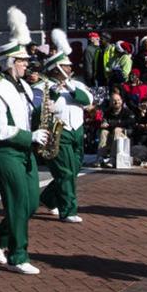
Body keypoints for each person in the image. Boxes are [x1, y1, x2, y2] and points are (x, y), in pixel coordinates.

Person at [0, 7, 47, 275]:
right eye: (21, 61)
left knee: (31, 203)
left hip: (25, 151)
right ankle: (18, 255)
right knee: (18, 203)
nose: (26, 64)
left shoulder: (22, 88)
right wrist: (29, 135)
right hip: (7, 152)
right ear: (9, 62)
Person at [39, 29, 95, 223]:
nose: (70, 69)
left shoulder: (76, 85)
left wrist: (69, 87)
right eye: (66, 66)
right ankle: (68, 210)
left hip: (77, 132)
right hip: (59, 134)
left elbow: (88, 100)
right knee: (65, 172)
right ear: (56, 68)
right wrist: (53, 94)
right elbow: (39, 108)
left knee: (74, 170)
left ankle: (47, 198)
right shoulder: (43, 86)